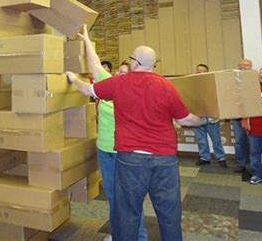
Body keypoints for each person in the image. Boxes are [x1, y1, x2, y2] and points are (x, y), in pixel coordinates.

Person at [66, 45, 208, 241]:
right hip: (164, 161)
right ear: (153, 65)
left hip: (131, 160)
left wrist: (73, 78)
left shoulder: (120, 83)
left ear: (135, 62)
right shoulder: (167, 86)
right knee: (169, 215)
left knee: (128, 214)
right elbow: (186, 120)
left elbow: (87, 89)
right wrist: (205, 119)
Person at [78, 25, 147, 241]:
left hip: (124, 153)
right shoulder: (110, 85)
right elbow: (95, 63)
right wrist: (87, 40)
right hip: (104, 150)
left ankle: (139, 236)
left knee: (128, 197)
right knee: (112, 194)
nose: (119, 74)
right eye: (119, 71)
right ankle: (119, 234)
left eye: (125, 73)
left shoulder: (136, 94)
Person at [192, 64, 227, 167]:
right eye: (197, 70)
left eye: (202, 71)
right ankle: (204, 158)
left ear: (207, 73)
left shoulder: (213, 85)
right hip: (197, 117)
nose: (199, 72)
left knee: (216, 139)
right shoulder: (192, 85)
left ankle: (221, 158)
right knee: (201, 139)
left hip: (211, 117)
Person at [233, 58, 253, 173]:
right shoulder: (233, 80)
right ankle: (241, 164)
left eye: (246, 66)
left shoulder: (256, 80)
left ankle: (253, 164)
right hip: (237, 117)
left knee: (253, 141)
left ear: (250, 67)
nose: (243, 68)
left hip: (251, 117)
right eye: (240, 66)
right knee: (239, 141)